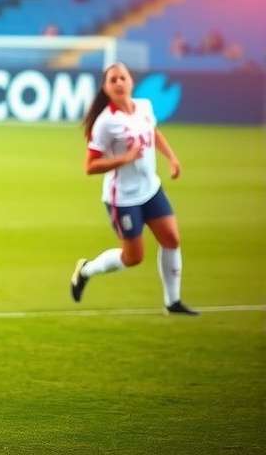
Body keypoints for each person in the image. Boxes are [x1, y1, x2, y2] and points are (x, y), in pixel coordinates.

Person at [70, 63, 197, 315]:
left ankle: (172, 302)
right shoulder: (105, 123)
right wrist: (124, 159)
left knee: (172, 239)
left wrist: (172, 158)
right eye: (112, 80)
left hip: (151, 189)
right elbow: (90, 166)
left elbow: (154, 133)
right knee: (133, 258)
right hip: (123, 198)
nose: (118, 82)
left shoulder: (145, 107)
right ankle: (86, 270)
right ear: (106, 88)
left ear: (131, 82)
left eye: (122, 78)